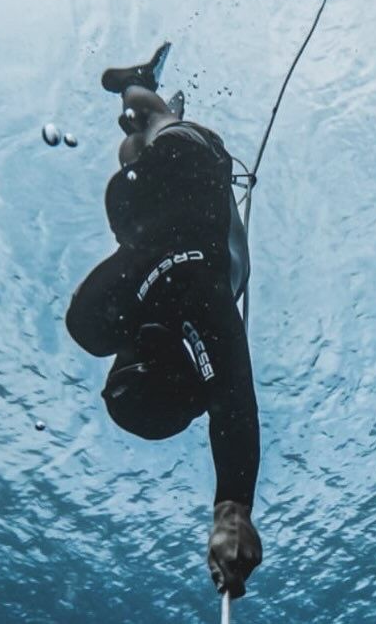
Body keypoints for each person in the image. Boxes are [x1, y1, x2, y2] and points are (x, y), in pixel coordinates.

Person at [65, 47, 262, 599]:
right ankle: (144, 88)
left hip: (154, 209)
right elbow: (234, 401)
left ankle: (147, 101)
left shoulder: (156, 318)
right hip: (189, 170)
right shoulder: (201, 310)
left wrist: (233, 509)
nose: (132, 347)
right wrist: (231, 510)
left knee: (137, 139)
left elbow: (228, 400)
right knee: (148, 125)